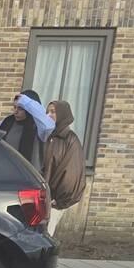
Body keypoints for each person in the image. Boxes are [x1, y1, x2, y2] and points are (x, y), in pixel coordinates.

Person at [39, 98, 87, 235]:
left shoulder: (70, 140)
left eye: (53, 112)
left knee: (45, 234)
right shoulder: (48, 137)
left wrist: (59, 199)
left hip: (54, 200)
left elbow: (72, 173)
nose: (49, 115)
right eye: (47, 111)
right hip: (41, 197)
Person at [0, 88, 54, 169]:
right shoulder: (8, 122)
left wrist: (26, 102)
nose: (15, 111)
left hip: (29, 176)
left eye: (20, 108)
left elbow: (48, 126)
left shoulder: (38, 127)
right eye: (14, 107)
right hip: (6, 172)